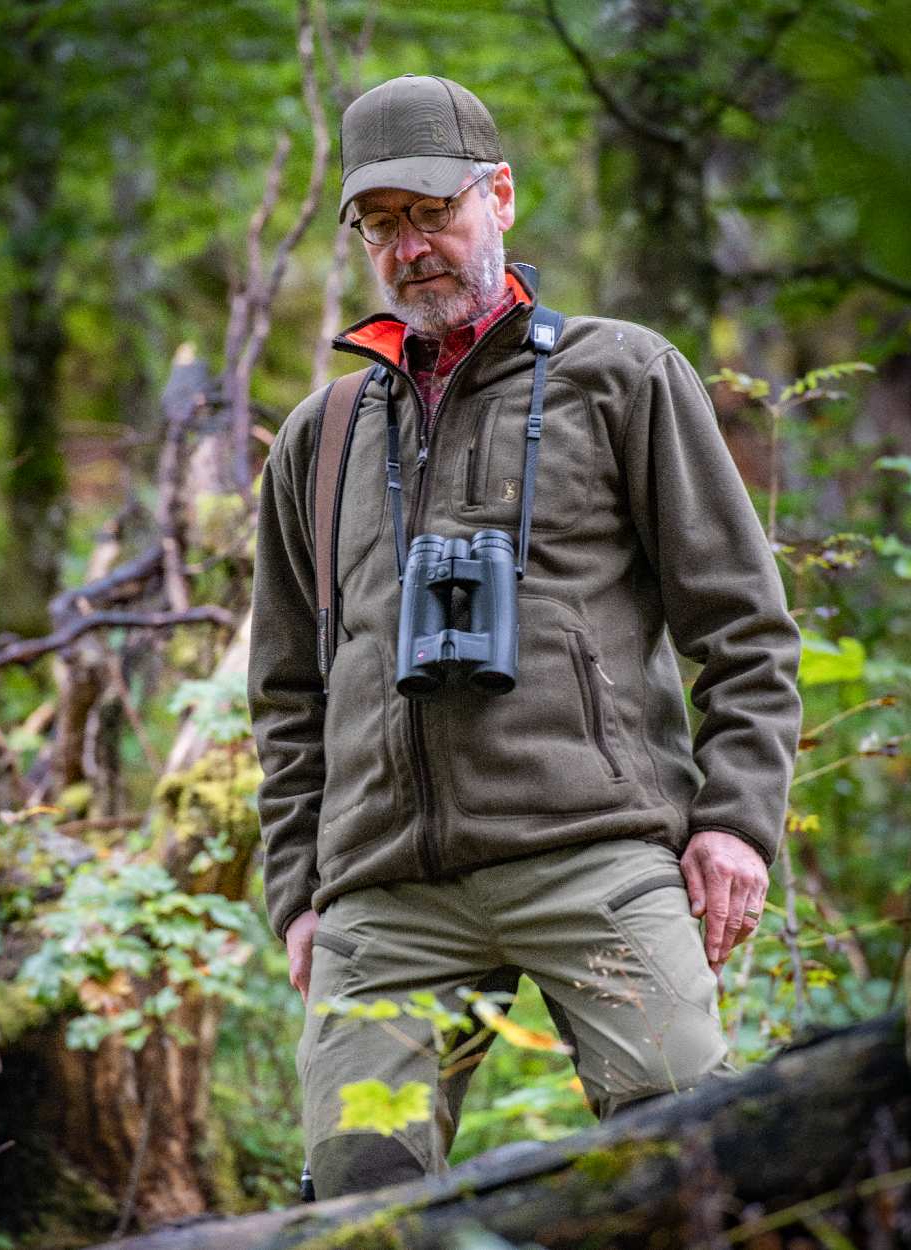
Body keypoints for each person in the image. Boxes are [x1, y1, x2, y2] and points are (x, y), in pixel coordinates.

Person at [247, 73, 803, 1200]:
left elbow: (742, 625)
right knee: (358, 1190)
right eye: (381, 223)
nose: (411, 246)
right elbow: (288, 688)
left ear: (498, 193)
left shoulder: (622, 375)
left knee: (686, 1156)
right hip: (387, 896)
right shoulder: (323, 434)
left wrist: (738, 820)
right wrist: (301, 891)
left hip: (593, 857)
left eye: (433, 211)